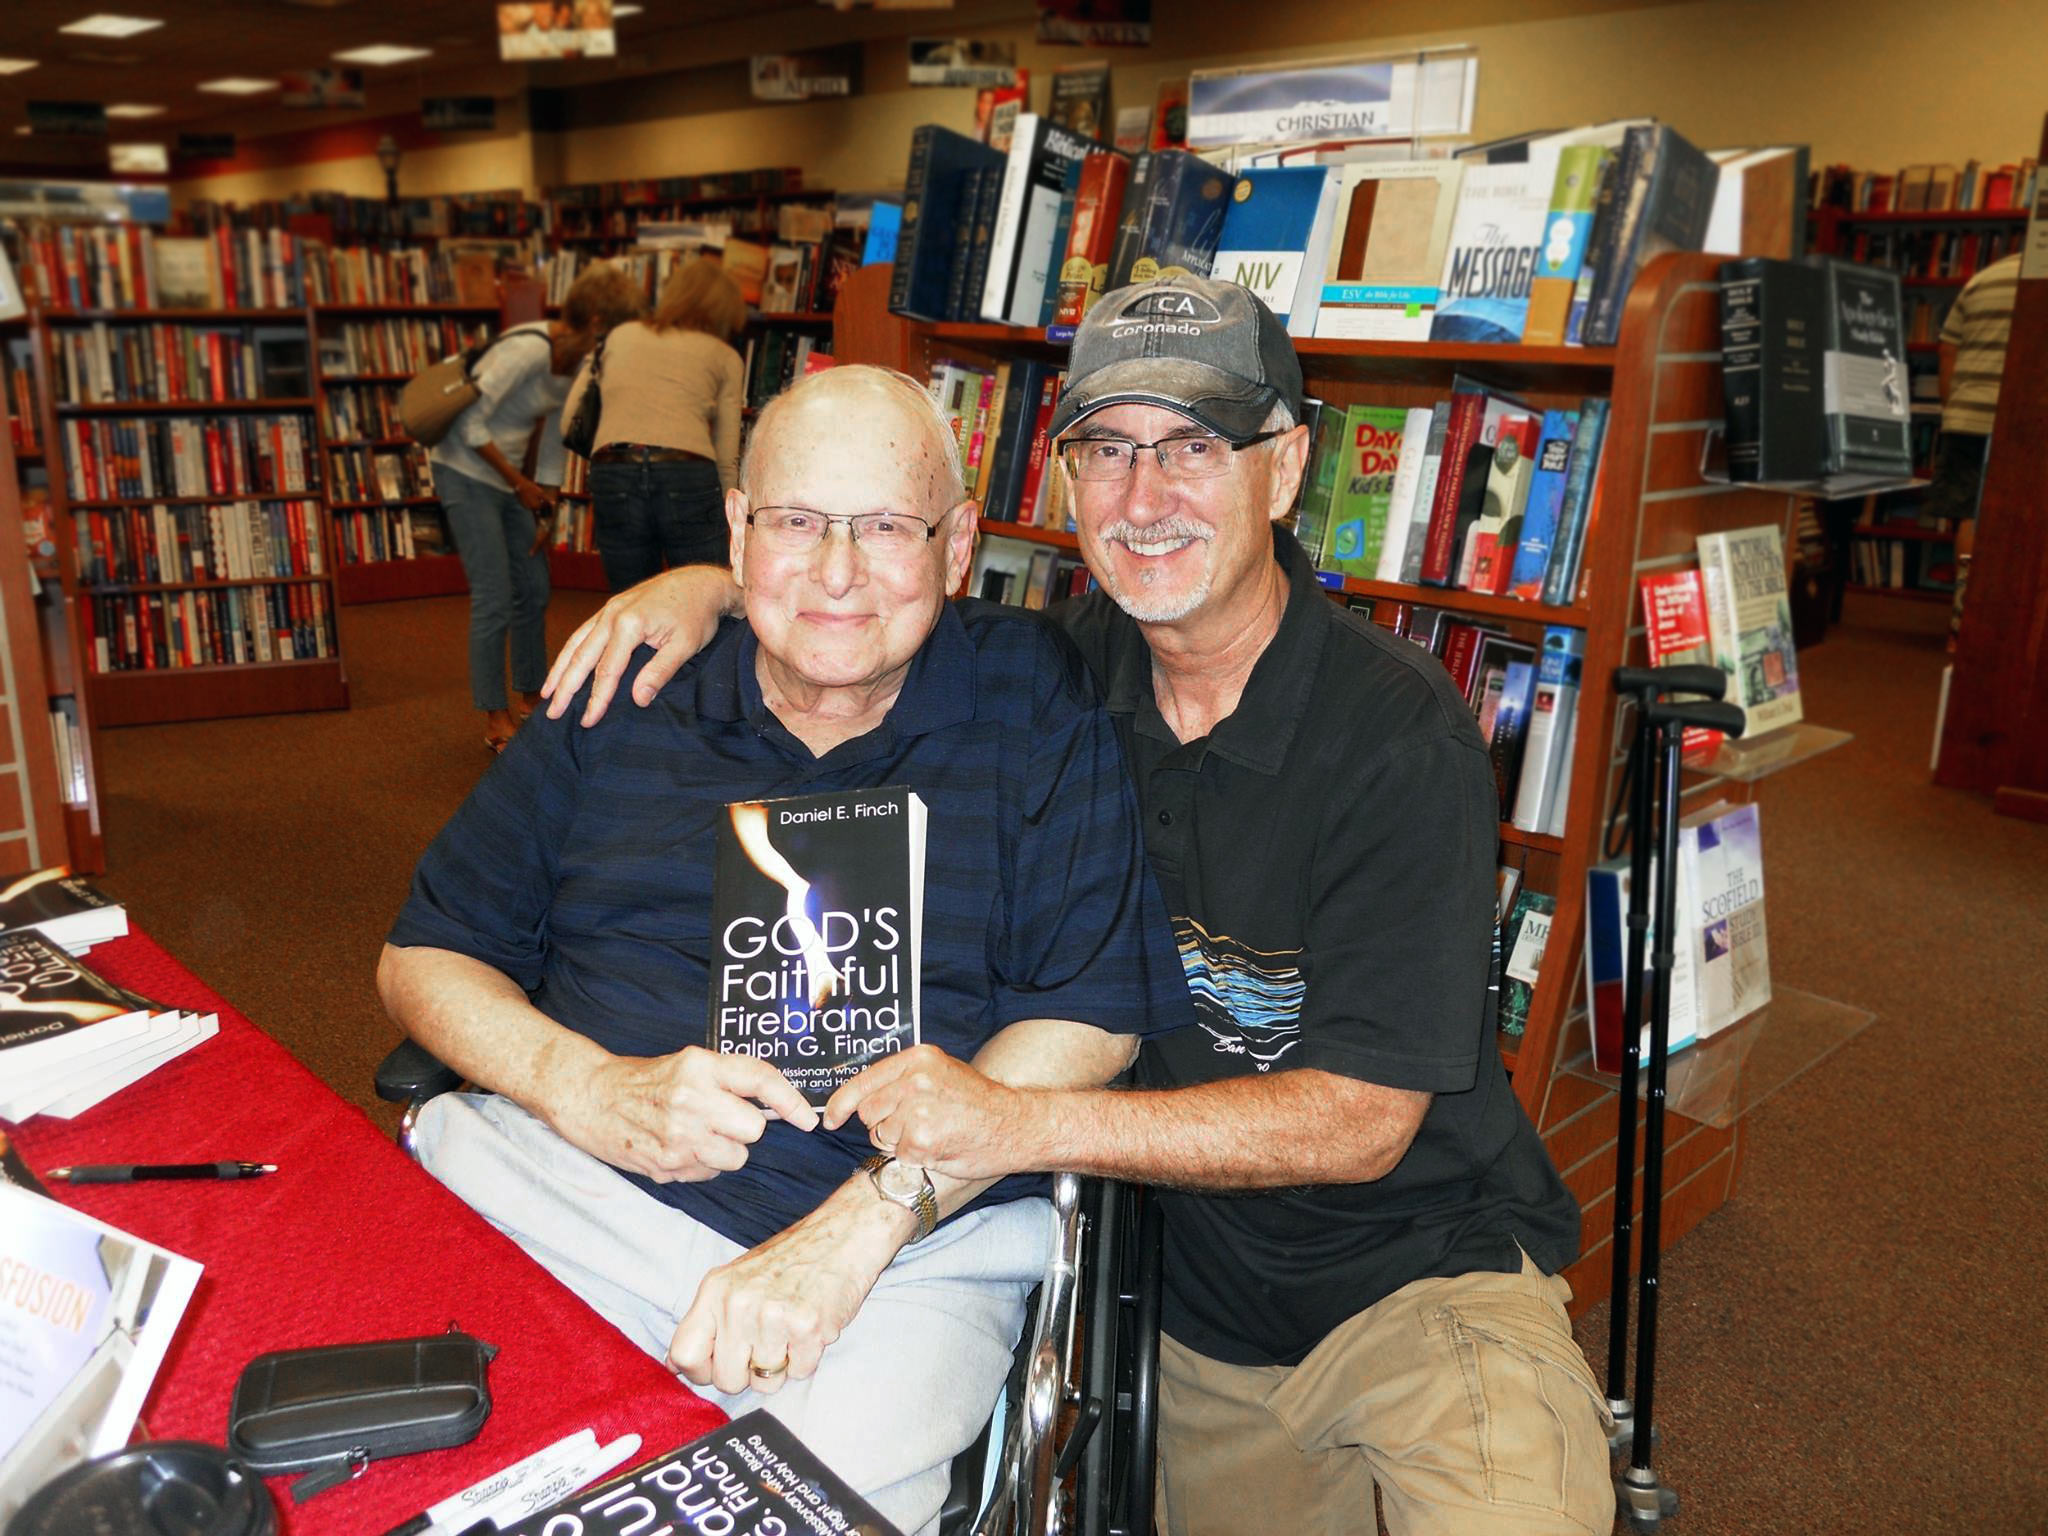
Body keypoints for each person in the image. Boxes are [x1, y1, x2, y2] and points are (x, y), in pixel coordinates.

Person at [542, 277, 1615, 1536]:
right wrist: (705, 585)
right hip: (1188, 1312)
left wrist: (1013, 1119)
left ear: (1284, 468)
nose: (1142, 499)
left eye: (1192, 448)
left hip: (1419, 1279)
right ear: (1060, 482)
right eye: (1105, 450)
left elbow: (1361, 1124)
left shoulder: (1396, 734)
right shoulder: (1051, 672)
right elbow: (856, 595)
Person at [380, 364, 1191, 1536]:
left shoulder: (1032, 694)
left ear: (958, 545)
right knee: (407, 1468)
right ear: (735, 530)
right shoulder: (626, 683)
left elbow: (1094, 1014)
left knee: (789, 1515)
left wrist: (851, 1232)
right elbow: (420, 957)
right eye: (796, 522)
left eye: (885, 528)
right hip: (571, 1187)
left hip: (904, 1253)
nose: (835, 573)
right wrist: (588, 1087)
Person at [429, 264, 640, 754]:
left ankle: (530, 696)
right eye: (609, 333)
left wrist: (547, 501)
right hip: (464, 470)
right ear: (592, 320)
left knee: (534, 585)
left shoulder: (575, 364)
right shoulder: (526, 349)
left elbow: (552, 437)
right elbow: (467, 422)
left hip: (510, 481)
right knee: (495, 595)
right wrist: (520, 483)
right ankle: (494, 713)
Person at [561, 258, 748, 593]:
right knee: (704, 594)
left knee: (630, 600)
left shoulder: (620, 335)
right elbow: (726, 454)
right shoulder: (725, 357)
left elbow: (568, 422)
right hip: (686, 471)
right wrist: (728, 518)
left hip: (613, 469)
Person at [1933, 249, 2019, 642]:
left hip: (1967, 418)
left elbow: (1947, 349)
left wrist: (1955, 408)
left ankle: (1961, 628)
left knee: (1970, 517)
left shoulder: (1984, 278)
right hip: (2026, 425)